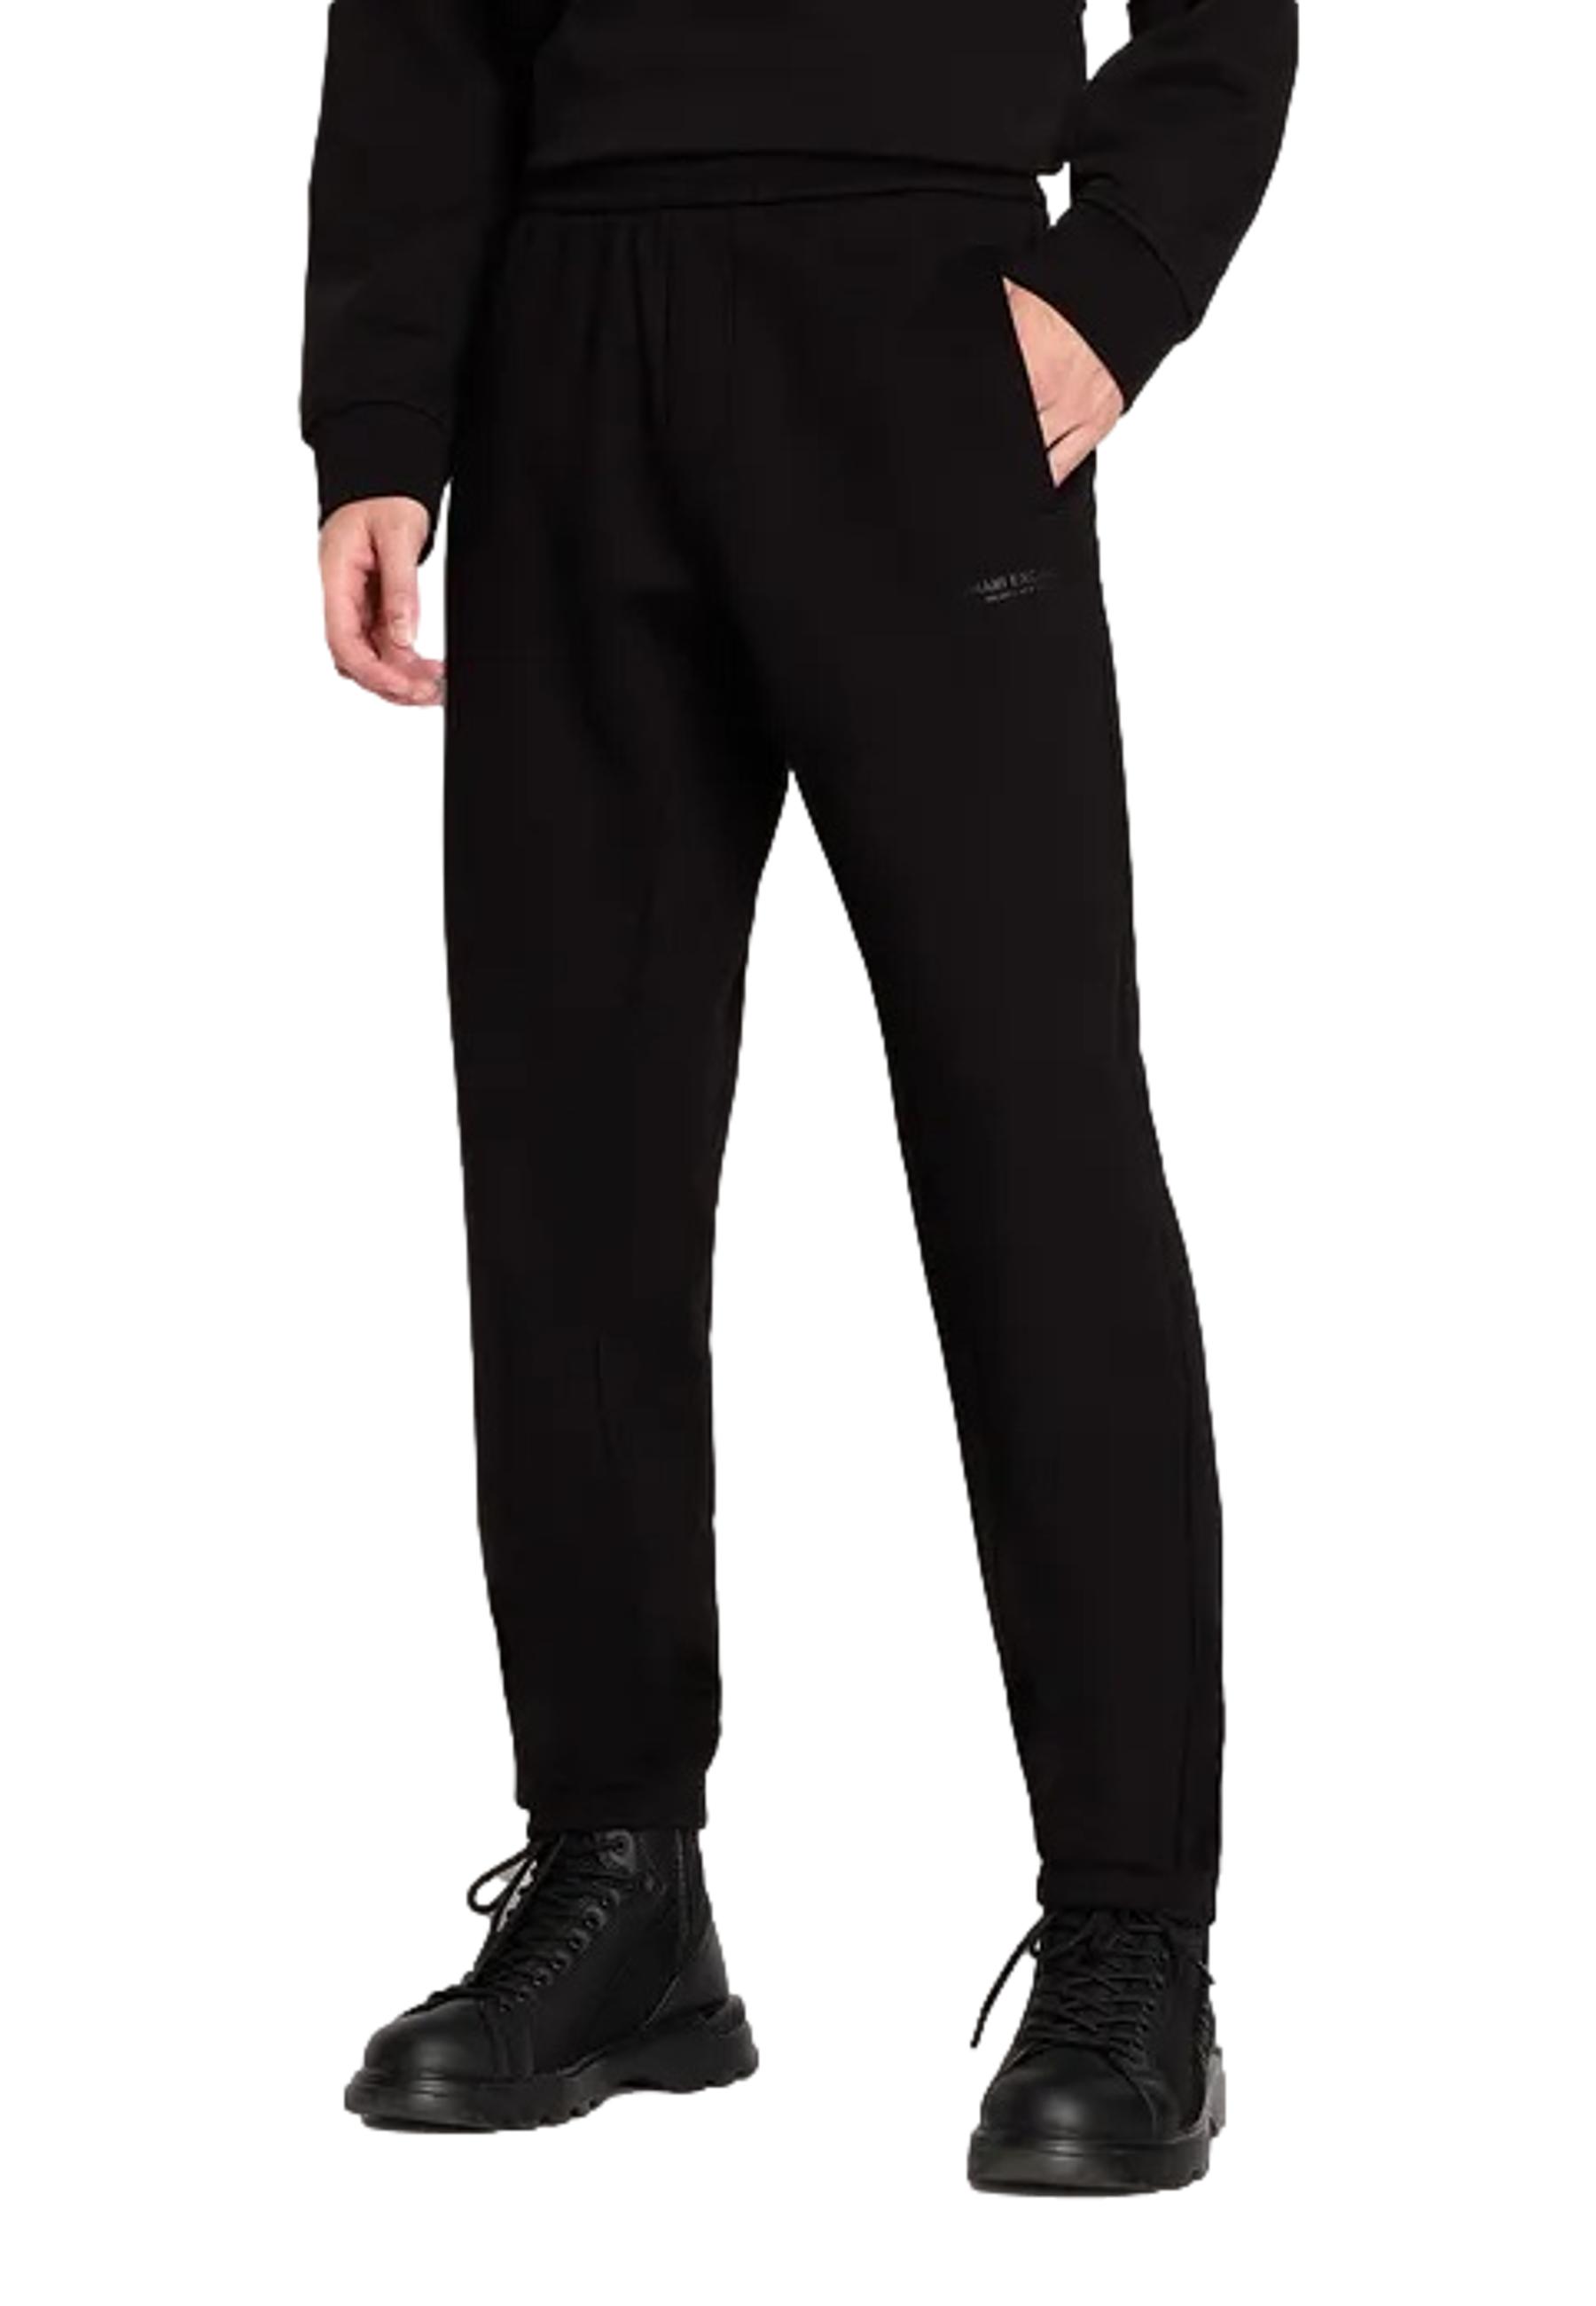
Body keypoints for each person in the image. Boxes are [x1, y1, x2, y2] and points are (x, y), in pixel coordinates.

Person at [301, 0, 1295, 2191]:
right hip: (563, 327)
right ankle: (621, 1874)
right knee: (570, 1149)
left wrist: (1121, 273)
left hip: (921, 314)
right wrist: (380, 406)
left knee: (1033, 1132)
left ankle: (1134, 1929)